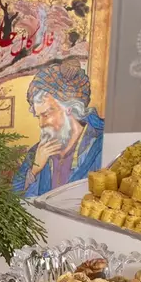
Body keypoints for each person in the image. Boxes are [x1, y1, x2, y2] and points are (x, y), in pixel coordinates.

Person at [12, 58, 104, 196]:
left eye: (46, 114)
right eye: (38, 116)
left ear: (70, 108)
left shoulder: (101, 145)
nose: (41, 124)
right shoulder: (37, 152)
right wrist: (34, 170)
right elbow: (12, 198)